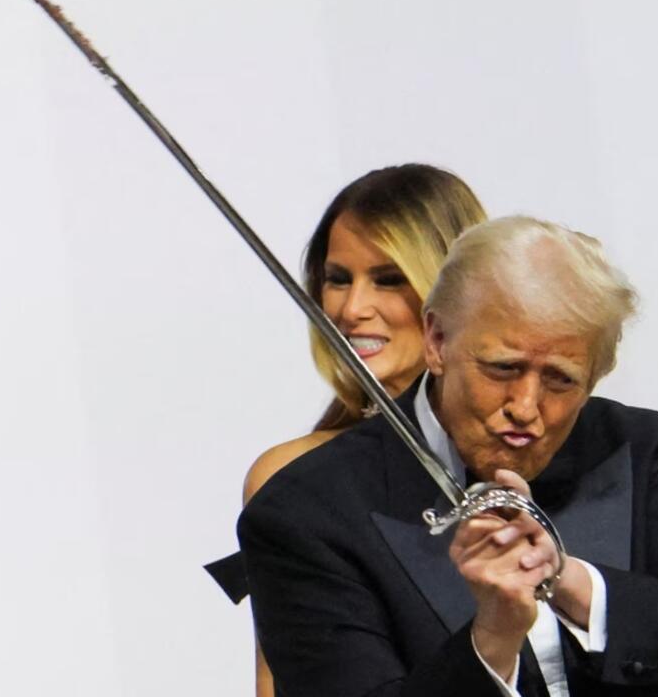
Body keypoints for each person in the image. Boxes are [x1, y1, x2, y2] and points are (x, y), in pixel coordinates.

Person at [240, 216, 658, 697]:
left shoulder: (630, 445)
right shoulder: (306, 511)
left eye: (560, 380)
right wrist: (491, 641)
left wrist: (565, 579)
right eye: (503, 368)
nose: (526, 408)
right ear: (437, 340)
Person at [203, 163, 487, 696]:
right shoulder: (294, 479)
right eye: (338, 279)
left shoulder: (532, 451)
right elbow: (277, 685)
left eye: (389, 279)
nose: (352, 309)